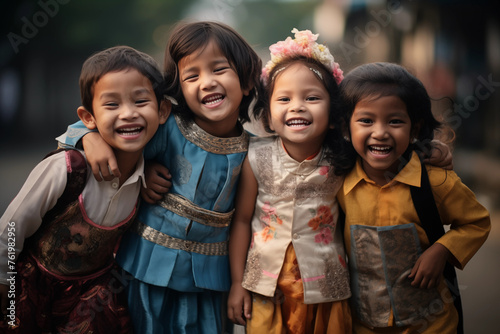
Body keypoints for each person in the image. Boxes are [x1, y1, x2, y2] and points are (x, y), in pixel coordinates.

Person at [56, 21, 262, 333]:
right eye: (192, 76)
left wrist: (238, 284)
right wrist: (90, 139)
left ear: (247, 82)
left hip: (211, 282)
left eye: (219, 70)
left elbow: (243, 222)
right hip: (145, 269)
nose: (206, 82)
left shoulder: (253, 154)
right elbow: (94, 128)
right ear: (179, 89)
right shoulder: (166, 129)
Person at [0, 45, 170, 333]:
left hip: (91, 304)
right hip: (31, 290)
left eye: (141, 102)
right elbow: (11, 228)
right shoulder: (66, 169)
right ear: (88, 117)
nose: (128, 114)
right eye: (112, 105)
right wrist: (5, 284)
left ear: (162, 110)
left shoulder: (146, 177)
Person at [335, 62, 491, 333]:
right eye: (366, 120)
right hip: (364, 325)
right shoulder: (337, 183)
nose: (381, 132)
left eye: (395, 121)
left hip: (433, 325)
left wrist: (442, 250)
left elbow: (477, 222)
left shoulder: (435, 182)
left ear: (415, 128)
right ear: (346, 129)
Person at [227, 28, 352, 334]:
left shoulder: (344, 160)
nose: (297, 106)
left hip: (325, 288)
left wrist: (431, 151)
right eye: (284, 98)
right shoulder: (256, 159)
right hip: (266, 288)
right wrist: (236, 283)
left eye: (311, 97)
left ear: (334, 115)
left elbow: (385, 153)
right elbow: (242, 220)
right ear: (268, 117)